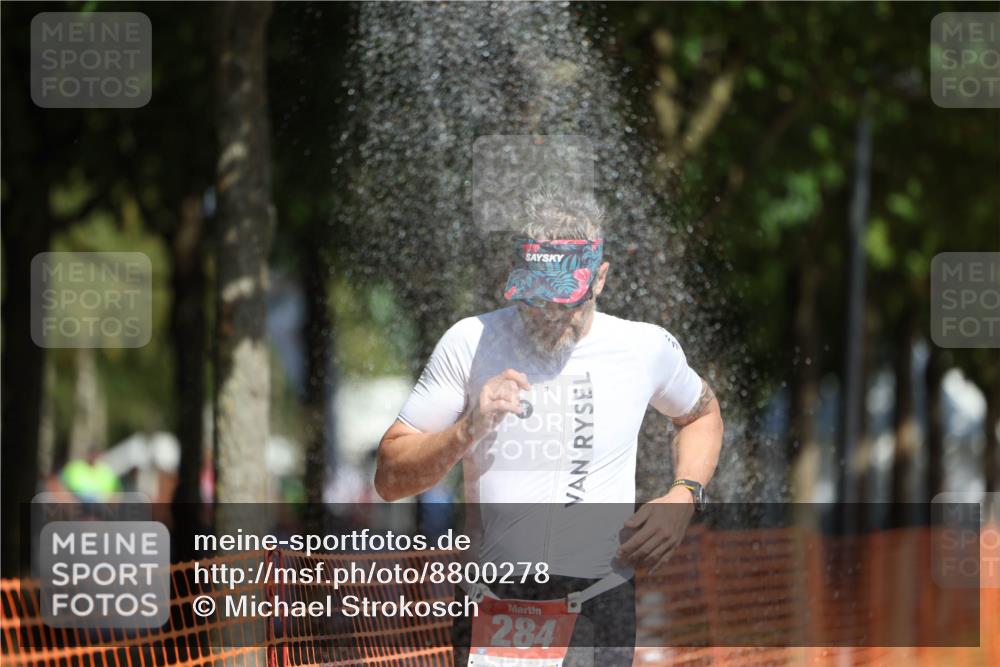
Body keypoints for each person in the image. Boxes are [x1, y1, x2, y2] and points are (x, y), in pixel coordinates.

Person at [375, 188, 724, 666]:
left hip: (598, 602)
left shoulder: (644, 348)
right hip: (491, 601)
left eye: (566, 301)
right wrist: (465, 430)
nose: (550, 316)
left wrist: (684, 495)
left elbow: (702, 414)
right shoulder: (471, 342)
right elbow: (389, 477)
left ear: (600, 278)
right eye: (537, 299)